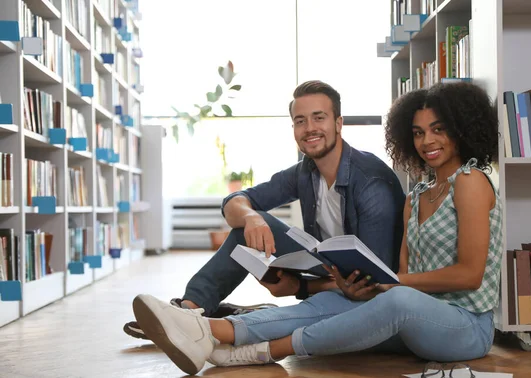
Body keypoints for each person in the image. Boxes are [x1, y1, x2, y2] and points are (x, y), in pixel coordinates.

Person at [131, 81, 503, 375]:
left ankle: (251, 344)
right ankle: (203, 325)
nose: (427, 141)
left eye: (438, 130)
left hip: (461, 325)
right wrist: (253, 217)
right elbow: (397, 277)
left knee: (371, 299)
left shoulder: (464, 180)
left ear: (339, 123)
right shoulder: (417, 194)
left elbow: (463, 275)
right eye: (419, 132)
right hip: (397, 306)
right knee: (331, 301)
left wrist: (314, 286)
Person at [123, 80, 406, 340]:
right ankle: (191, 309)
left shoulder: (371, 183)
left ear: (339, 123)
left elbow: (375, 284)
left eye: (319, 118)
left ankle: (194, 318)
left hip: (368, 287)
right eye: (300, 121)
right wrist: (252, 217)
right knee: (246, 229)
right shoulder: (306, 172)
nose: (310, 128)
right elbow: (235, 200)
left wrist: (301, 287)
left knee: (343, 291)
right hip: (333, 267)